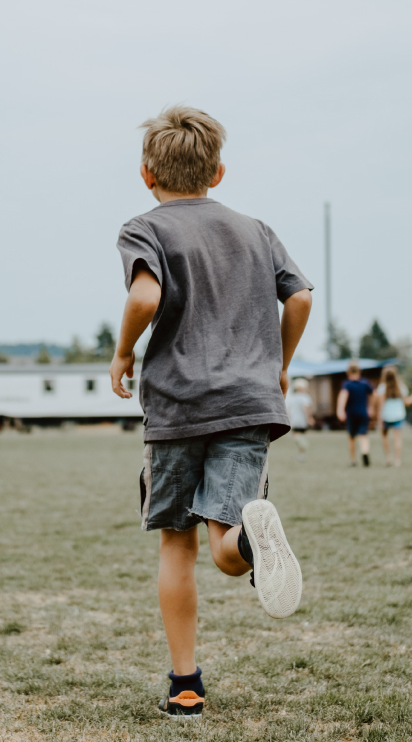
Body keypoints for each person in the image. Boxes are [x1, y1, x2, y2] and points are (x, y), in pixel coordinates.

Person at [109, 105, 313, 719]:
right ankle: (248, 541)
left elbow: (145, 294)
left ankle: (186, 687)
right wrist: (279, 361)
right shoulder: (255, 230)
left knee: (178, 545)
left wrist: (123, 353)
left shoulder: (145, 228)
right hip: (249, 403)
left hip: (177, 408)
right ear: (218, 173)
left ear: (147, 173)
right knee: (225, 540)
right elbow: (299, 295)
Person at [374, 366, 412, 467]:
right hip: (398, 416)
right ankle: (397, 460)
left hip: (386, 416)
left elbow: (380, 404)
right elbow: (408, 402)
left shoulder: (382, 388)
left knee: (384, 437)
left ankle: (388, 457)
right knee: (397, 439)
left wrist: (379, 417)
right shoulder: (401, 387)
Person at [336, 361, 374, 467]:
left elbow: (343, 396)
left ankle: (353, 461)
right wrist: (371, 407)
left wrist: (340, 410)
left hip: (351, 413)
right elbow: (374, 394)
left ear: (348, 372)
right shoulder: (365, 383)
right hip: (363, 412)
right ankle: (365, 451)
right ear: (359, 371)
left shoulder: (347, 384)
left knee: (352, 437)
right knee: (363, 435)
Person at [286, 378, 314, 461]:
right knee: (301, 436)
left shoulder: (292, 397)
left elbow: (288, 409)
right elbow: (306, 408)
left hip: (294, 420)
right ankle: (303, 448)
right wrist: (309, 418)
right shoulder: (305, 397)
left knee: (297, 435)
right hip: (302, 420)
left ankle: (301, 454)